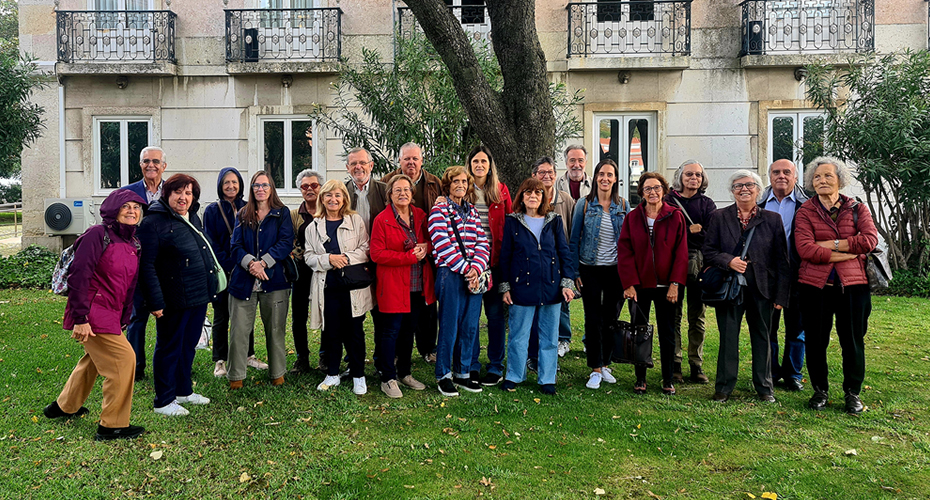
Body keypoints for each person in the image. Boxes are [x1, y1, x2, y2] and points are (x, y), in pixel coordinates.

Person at [44, 189, 147, 441]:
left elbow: (129, 285)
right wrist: (80, 318)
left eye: (136, 207)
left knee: (93, 359)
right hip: (91, 311)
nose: (132, 211)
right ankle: (112, 426)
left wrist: (124, 317)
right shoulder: (96, 235)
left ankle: (64, 406)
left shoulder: (133, 243)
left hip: (111, 312)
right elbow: (79, 276)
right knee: (124, 359)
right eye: (126, 206)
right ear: (113, 209)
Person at [794, 157, 877, 414]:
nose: (822, 181)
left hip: (853, 285)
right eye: (817, 177)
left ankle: (853, 393)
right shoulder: (805, 211)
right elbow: (805, 249)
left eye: (828, 175)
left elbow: (869, 240)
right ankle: (820, 391)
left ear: (840, 179)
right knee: (815, 341)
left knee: (852, 340)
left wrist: (832, 245)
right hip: (815, 286)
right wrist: (848, 251)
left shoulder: (857, 208)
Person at [138, 174, 225, 416]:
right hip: (172, 299)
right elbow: (146, 266)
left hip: (197, 295)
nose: (183, 197)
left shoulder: (192, 217)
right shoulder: (153, 223)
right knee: (169, 348)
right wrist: (155, 301)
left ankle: (183, 391)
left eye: (189, 193)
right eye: (178, 192)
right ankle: (164, 400)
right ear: (167, 194)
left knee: (188, 346)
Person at [704, 170, 789, 403]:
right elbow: (708, 251)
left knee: (762, 337)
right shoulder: (719, 217)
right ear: (732, 191)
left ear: (758, 190)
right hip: (730, 286)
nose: (744, 189)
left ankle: (764, 387)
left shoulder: (772, 219)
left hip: (762, 287)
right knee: (728, 337)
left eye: (749, 185)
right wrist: (728, 261)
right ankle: (723, 387)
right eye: (738, 186)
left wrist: (781, 295)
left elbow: (782, 260)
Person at [499, 178, 575, 395]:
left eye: (538, 193)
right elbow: (505, 256)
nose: (533, 196)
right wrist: (505, 287)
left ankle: (547, 378)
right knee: (518, 335)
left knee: (549, 337)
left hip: (551, 286)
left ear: (544, 197)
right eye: (528, 192)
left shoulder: (554, 220)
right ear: (521, 197)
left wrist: (567, 283)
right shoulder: (513, 222)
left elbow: (564, 252)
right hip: (521, 287)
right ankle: (514, 375)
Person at [618, 172, 689, 395]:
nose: (653, 192)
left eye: (657, 188)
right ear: (641, 192)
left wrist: (675, 283)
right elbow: (625, 251)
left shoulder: (675, 216)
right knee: (639, 331)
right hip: (640, 286)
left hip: (667, 287)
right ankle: (640, 377)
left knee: (667, 332)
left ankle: (668, 378)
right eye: (647, 188)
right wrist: (629, 283)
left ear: (664, 190)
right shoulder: (632, 218)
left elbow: (681, 253)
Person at [305, 180, 374, 395]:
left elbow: (365, 248)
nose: (333, 199)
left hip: (352, 286)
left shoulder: (355, 220)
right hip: (327, 287)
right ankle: (332, 374)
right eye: (328, 195)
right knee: (331, 332)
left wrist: (344, 258)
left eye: (337, 195)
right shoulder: (313, 226)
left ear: (344, 198)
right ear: (322, 199)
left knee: (355, 332)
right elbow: (308, 256)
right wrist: (328, 259)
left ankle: (358, 375)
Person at [226, 171, 294, 389]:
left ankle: (277, 373)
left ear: (271, 188)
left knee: (275, 329)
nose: (260, 189)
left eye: (264, 185)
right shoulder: (243, 213)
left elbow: (286, 242)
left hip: (274, 280)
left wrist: (263, 263)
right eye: (256, 185)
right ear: (252, 189)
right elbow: (235, 246)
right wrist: (251, 264)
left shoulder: (282, 213)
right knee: (238, 331)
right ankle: (236, 376)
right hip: (243, 281)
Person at [369, 174, 434, 398]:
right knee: (390, 332)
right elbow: (377, 254)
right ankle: (388, 377)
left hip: (417, 285)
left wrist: (426, 247)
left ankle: (404, 373)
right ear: (390, 194)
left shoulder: (421, 216)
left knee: (408, 331)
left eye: (406, 189)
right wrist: (408, 257)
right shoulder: (382, 220)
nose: (403, 193)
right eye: (397, 190)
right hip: (394, 285)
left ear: (412, 193)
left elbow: (433, 241)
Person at [428, 166, 491, 396]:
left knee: (470, 325)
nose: (461, 185)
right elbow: (442, 244)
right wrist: (466, 269)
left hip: (473, 274)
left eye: (464, 182)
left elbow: (482, 242)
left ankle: (463, 373)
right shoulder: (439, 211)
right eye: (456, 181)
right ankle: (443, 375)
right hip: (450, 274)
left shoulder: (472, 211)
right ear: (448, 185)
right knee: (449, 325)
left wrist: (476, 268)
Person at [569, 159, 630, 390]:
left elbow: (629, 241)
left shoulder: (623, 205)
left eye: (610, 175)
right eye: (601, 174)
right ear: (595, 177)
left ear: (615, 179)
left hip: (616, 270)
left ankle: (605, 364)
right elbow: (574, 239)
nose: (605, 178)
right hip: (590, 268)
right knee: (593, 318)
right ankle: (595, 368)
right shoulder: (584, 204)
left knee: (611, 318)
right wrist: (575, 271)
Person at [203, 167, 266, 378]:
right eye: (226, 182)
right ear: (220, 186)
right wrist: (228, 263)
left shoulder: (249, 207)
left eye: (234, 182)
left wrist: (244, 263)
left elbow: (253, 239)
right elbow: (210, 242)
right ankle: (220, 360)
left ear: (240, 185)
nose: (231, 186)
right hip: (221, 270)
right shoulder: (212, 210)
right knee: (221, 315)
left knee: (245, 315)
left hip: (244, 269)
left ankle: (249, 355)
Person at [382, 142, 441, 363]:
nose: (411, 163)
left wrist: (429, 245)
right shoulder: (386, 181)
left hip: (427, 246)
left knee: (427, 306)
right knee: (399, 306)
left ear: (421, 160)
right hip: (398, 246)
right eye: (407, 158)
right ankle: (397, 352)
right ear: (399, 161)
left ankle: (428, 348)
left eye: (415, 158)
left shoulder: (435, 182)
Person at [459, 145, 511, 386]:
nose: (479, 165)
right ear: (469, 165)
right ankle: (470, 365)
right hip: (469, 265)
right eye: (475, 161)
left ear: (490, 165)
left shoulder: (500, 191)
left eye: (483, 161)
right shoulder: (463, 190)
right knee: (469, 316)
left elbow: (510, 226)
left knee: (495, 315)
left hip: (494, 263)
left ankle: (495, 365)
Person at [665, 160, 717, 384]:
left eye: (698, 174)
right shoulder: (668, 201)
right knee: (673, 315)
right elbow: (665, 234)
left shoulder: (707, 204)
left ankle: (696, 363)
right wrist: (688, 230)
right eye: (689, 174)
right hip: (672, 265)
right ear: (680, 176)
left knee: (697, 317)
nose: (693, 178)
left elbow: (712, 235)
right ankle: (675, 362)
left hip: (699, 266)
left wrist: (695, 233)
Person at [761, 159, 809, 392]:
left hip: (799, 274)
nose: (781, 176)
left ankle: (792, 374)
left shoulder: (807, 204)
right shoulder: (759, 203)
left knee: (797, 328)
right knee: (768, 327)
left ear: (795, 177)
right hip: (767, 276)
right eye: (776, 172)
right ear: (769, 176)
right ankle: (770, 372)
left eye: (787, 172)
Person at [122, 146, 167, 381]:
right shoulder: (128, 193)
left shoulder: (173, 192)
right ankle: (135, 368)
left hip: (166, 267)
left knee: (166, 318)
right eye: (146, 161)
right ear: (140, 165)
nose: (151, 165)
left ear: (164, 166)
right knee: (137, 318)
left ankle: (166, 364)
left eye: (156, 161)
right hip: (137, 265)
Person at [289, 169, 322, 374]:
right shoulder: (294, 215)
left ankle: (325, 355)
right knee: (299, 316)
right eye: (305, 186)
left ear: (320, 188)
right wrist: (300, 254)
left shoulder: (328, 210)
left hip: (324, 271)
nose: (310, 189)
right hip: (301, 272)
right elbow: (289, 241)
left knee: (326, 312)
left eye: (314, 185)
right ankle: (302, 357)